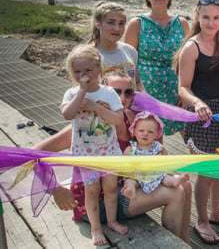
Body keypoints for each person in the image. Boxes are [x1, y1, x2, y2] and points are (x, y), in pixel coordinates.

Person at [35, 70, 193, 244]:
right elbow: (34, 154)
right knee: (175, 194)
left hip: (124, 188)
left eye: (128, 92)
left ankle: (183, 242)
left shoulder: (131, 118)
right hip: (96, 202)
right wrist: (55, 189)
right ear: (104, 92)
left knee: (185, 185)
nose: (123, 98)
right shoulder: (86, 126)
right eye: (116, 91)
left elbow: (152, 150)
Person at [174, 0, 219, 245]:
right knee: (205, 170)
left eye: (216, 18)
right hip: (200, 114)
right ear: (197, 17)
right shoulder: (191, 47)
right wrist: (197, 102)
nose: (211, 23)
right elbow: (183, 88)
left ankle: (215, 212)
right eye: (206, 18)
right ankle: (201, 219)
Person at [40, 1, 143, 153]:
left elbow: (137, 82)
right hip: (92, 118)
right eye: (111, 23)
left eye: (121, 23)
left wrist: (149, 104)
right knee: (42, 149)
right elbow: (79, 88)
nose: (117, 29)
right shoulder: (88, 54)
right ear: (98, 24)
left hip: (123, 114)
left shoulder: (130, 51)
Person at [60, 44, 128, 245]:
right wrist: (82, 92)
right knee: (91, 191)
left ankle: (113, 220)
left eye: (88, 71)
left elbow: (118, 120)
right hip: (86, 155)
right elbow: (67, 114)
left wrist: (95, 107)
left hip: (109, 152)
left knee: (109, 189)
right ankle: (96, 228)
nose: (83, 76)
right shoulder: (72, 94)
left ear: (99, 70)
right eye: (78, 72)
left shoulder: (108, 93)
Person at [124, 0, 190, 137]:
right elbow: (128, 62)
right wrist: (136, 91)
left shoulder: (181, 23)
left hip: (176, 90)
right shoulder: (137, 24)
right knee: (151, 138)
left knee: (190, 136)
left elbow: (189, 60)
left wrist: (188, 92)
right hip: (148, 92)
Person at [121, 111, 190, 200]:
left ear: (156, 134)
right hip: (137, 176)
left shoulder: (158, 147)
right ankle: (131, 191)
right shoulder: (131, 148)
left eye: (150, 132)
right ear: (134, 131)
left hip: (155, 174)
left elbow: (166, 161)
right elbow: (123, 164)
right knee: (130, 181)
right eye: (141, 130)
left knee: (165, 177)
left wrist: (163, 156)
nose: (145, 134)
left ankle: (175, 181)